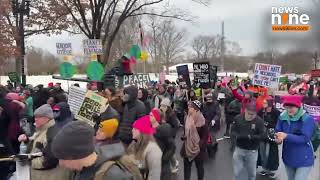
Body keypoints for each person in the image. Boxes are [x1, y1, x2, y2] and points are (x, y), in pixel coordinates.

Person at [52, 121, 133, 180]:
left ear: (79, 154)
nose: (61, 163)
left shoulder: (113, 176)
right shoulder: (77, 169)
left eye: (63, 158)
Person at [18, 104, 70, 180]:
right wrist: (27, 140)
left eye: (39, 117)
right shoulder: (43, 129)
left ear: (47, 118)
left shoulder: (52, 134)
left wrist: (28, 161)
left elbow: (49, 160)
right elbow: (37, 143)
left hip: (48, 175)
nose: (35, 119)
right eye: (35, 117)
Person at [275, 96, 316, 180]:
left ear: (298, 106)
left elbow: (305, 138)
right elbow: (278, 132)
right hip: (288, 157)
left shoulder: (307, 119)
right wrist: (278, 140)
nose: (289, 109)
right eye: (287, 107)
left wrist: (286, 136)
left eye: (292, 107)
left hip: (304, 159)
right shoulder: (282, 117)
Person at [231, 102, 265, 180]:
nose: (250, 116)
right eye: (249, 113)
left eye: (253, 114)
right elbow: (232, 131)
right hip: (239, 149)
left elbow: (263, 135)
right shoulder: (238, 118)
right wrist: (237, 136)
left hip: (252, 151)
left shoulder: (259, 121)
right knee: (237, 172)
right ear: (245, 110)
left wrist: (252, 137)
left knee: (251, 173)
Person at [127, 116, 162, 180]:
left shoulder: (153, 150)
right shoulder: (133, 144)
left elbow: (154, 175)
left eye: (135, 129)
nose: (132, 131)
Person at [180, 100, 208, 180]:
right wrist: (184, 136)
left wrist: (199, 145)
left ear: (196, 109)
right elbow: (186, 132)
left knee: (199, 167)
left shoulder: (203, 120)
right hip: (187, 146)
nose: (188, 108)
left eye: (190, 107)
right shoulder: (186, 118)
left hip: (198, 148)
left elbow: (205, 135)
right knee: (187, 167)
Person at [149, 108, 175, 180]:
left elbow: (172, 147)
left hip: (163, 165)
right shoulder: (148, 129)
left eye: (151, 115)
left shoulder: (164, 130)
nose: (149, 117)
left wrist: (164, 159)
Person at [257, 98, 280, 179]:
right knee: (262, 151)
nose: (263, 104)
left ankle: (270, 170)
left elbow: (279, 123)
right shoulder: (261, 111)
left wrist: (270, 125)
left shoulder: (276, 112)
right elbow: (257, 119)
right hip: (263, 134)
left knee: (270, 152)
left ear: (269, 103)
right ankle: (264, 168)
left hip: (272, 134)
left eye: (265, 103)